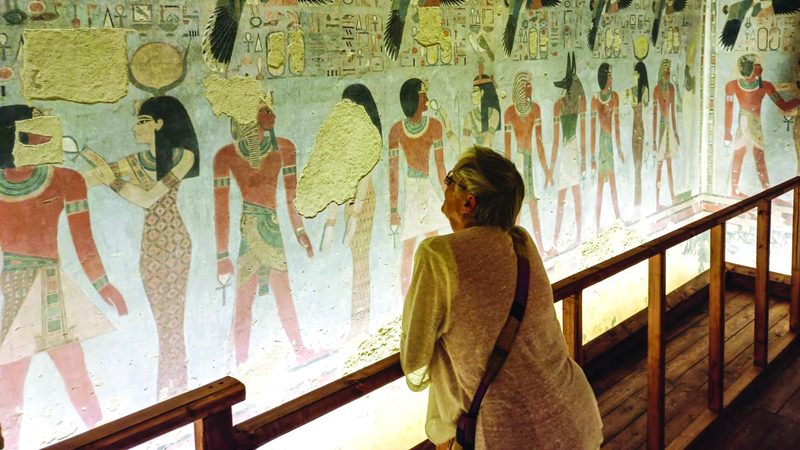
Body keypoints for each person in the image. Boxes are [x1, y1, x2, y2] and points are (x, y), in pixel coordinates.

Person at [401, 146, 603, 449]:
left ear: (468, 201)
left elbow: (414, 358)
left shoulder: (437, 255)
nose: (445, 186)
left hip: (509, 435)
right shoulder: (521, 241)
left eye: (450, 179)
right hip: (574, 419)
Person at [0, 105, 127, 448]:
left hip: (51, 288)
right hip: (16, 291)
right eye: (38, 126)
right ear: (17, 137)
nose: (48, 133)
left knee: (75, 374)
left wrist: (103, 285)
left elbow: (84, 243)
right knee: (9, 386)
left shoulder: (66, 180)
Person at [82, 96, 197, 400]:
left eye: (142, 122)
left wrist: (113, 181)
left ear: (159, 124)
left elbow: (149, 198)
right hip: (151, 246)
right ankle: (170, 382)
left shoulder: (182, 157)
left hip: (175, 243)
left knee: (173, 317)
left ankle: (175, 383)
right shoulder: (135, 162)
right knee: (162, 318)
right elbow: (86, 180)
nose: (135, 128)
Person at [213, 94, 319, 367]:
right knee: (243, 301)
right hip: (249, 231)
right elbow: (221, 210)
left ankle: (300, 350)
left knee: (284, 294)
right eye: (265, 109)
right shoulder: (226, 155)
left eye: (270, 108)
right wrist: (222, 255)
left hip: (271, 230)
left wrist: (299, 230)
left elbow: (291, 195)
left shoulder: (284, 148)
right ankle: (241, 365)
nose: (272, 114)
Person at [319, 83, 382, 338]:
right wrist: (331, 223)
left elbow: (363, 178)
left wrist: (354, 216)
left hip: (362, 200)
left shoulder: (366, 137)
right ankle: (356, 322)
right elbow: (336, 180)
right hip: (347, 198)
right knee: (353, 260)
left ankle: (361, 323)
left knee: (360, 260)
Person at [389, 78, 449, 298]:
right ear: (413, 99)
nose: (427, 99)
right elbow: (393, 173)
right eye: (423, 95)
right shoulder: (397, 130)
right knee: (408, 250)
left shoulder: (434, 126)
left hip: (425, 188)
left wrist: (449, 195)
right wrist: (393, 210)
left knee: (434, 246)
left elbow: (441, 166)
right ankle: (406, 301)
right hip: (412, 192)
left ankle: (439, 294)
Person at [724, 54, 800, 197]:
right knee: (750, 154)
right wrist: (727, 132)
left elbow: (783, 106)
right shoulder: (761, 86)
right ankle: (758, 192)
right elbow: (783, 105)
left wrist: (727, 132)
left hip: (748, 122)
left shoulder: (761, 85)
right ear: (753, 68)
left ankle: (758, 192)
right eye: (758, 65)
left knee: (747, 154)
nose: (761, 67)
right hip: (749, 123)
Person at [504, 71, 547, 252]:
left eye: (530, 85)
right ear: (520, 88)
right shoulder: (510, 112)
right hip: (519, 161)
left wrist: (546, 169)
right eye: (527, 85)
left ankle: (540, 247)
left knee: (533, 203)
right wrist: (507, 174)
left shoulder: (535, 109)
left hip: (529, 161)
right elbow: (507, 148)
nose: (530, 88)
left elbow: (539, 141)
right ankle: (513, 249)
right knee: (519, 205)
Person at [590, 63, 625, 233]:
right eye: (609, 75)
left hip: (609, 143)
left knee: (612, 183)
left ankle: (618, 217)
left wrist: (619, 148)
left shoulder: (615, 96)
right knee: (600, 185)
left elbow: (616, 124)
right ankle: (597, 224)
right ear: (604, 77)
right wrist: (591, 158)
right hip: (602, 143)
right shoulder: (596, 99)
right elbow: (592, 129)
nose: (611, 78)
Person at [652, 59, 680, 210]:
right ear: (662, 73)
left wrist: (675, 132)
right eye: (667, 70)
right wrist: (654, 141)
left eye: (670, 70)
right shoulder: (657, 89)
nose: (669, 73)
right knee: (659, 166)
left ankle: (672, 196)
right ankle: (656, 202)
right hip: (662, 130)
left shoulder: (671, 88)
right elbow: (654, 115)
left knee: (669, 165)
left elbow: (673, 112)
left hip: (668, 129)